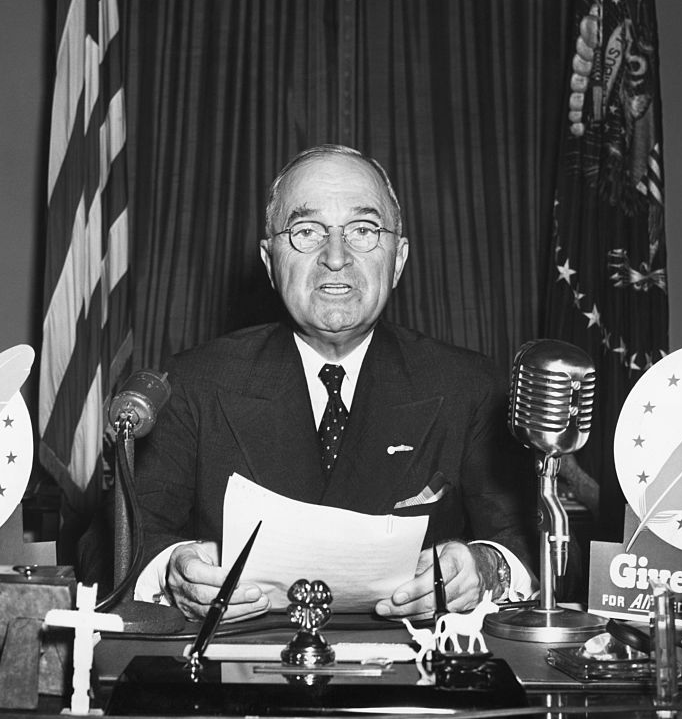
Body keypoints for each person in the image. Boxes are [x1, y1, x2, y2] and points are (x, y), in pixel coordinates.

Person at [133, 144, 539, 622]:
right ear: (269, 261)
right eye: (306, 231)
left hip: (410, 679)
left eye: (363, 230)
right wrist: (170, 572)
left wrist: (485, 570)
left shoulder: (470, 385)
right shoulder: (193, 382)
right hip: (243, 670)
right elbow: (117, 544)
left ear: (400, 258)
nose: (335, 256)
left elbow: (526, 546)